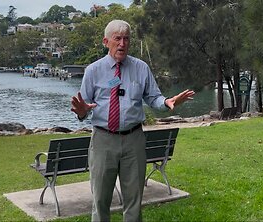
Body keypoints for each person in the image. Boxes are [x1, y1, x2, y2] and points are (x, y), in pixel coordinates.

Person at [70, 19, 195, 222]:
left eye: (126, 39)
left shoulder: (141, 68)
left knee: (134, 201)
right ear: (106, 41)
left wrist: (167, 101)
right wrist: (82, 111)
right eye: (117, 39)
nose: (122, 43)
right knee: (100, 200)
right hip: (103, 141)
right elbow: (82, 108)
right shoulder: (93, 71)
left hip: (133, 140)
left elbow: (153, 97)